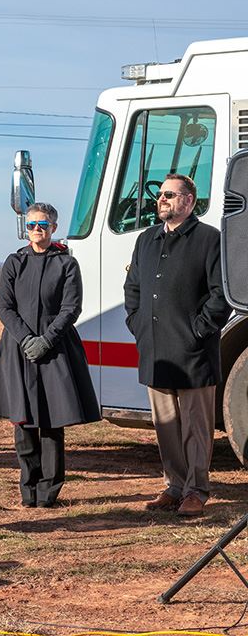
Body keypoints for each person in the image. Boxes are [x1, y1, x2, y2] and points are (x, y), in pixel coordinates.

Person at [124, 173, 232, 517]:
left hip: (194, 353)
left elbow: (221, 295)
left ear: (188, 201)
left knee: (196, 428)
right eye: (160, 195)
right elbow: (133, 290)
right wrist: (138, 325)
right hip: (156, 351)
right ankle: (174, 485)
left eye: (169, 195)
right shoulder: (146, 239)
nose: (162, 199)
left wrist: (198, 331)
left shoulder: (209, 240)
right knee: (166, 425)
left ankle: (196, 490)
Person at [0, 202, 100, 508]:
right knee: (23, 422)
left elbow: (71, 308)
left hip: (55, 349)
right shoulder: (14, 262)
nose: (37, 229)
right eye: (32, 224)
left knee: (51, 422)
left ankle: (49, 493)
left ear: (54, 228)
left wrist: (46, 340)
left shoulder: (66, 264)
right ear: (26, 228)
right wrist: (25, 339)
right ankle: (28, 490)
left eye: (43, 225)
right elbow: (4, 307)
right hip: (18, 347)